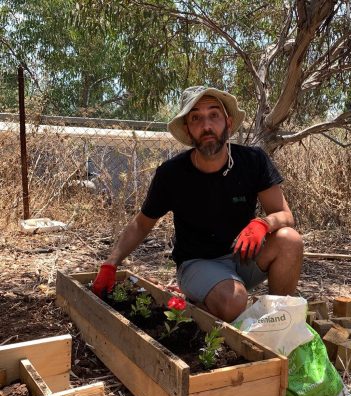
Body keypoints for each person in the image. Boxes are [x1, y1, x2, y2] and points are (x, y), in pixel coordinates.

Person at [92, 86, 303, 322]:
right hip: (198, 263)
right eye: (196, 118)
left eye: (214, 115)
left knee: (290, 240)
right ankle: (195, 309)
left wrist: (263, 223)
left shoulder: (253, 161)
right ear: (187, 130)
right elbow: (141, 224)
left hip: (242, 256)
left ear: (228, 123)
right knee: (234, 301)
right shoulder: (172, 174)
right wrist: (111, 264)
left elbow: (285, 215)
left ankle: (279, 322)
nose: (206, 126)